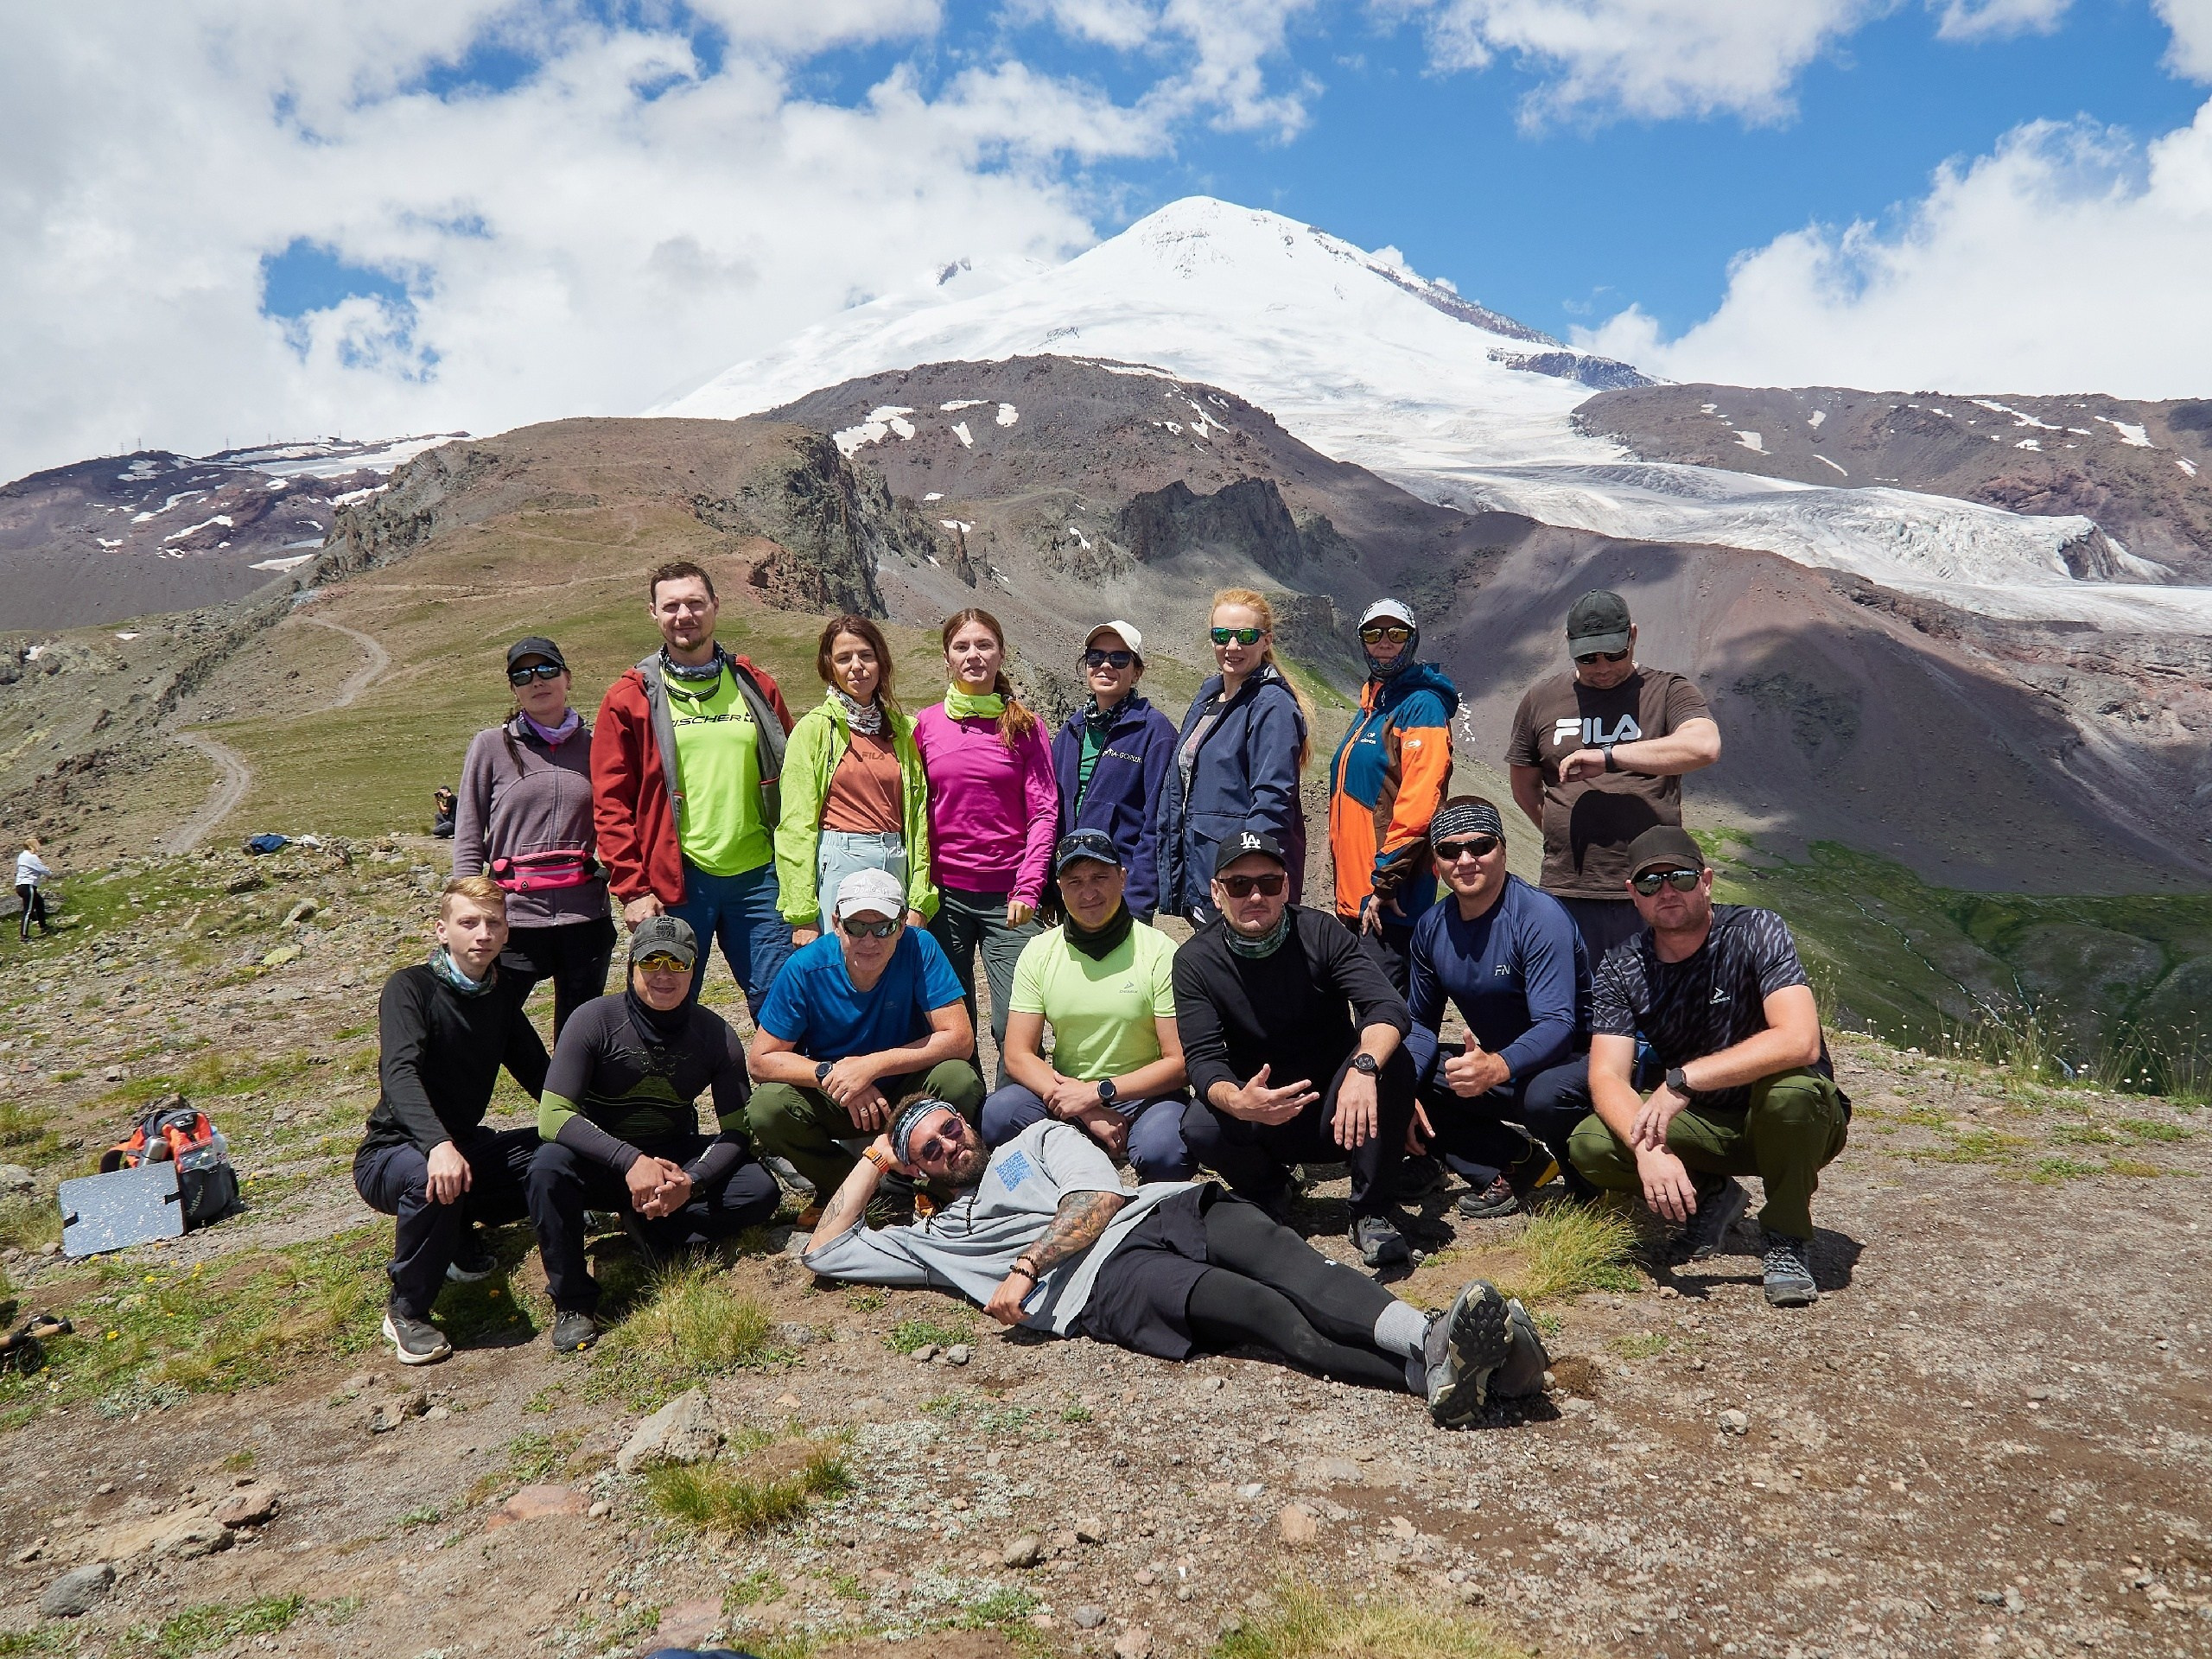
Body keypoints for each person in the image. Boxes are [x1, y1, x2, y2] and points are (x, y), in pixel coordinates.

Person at [803, 1096, 1550, 1427]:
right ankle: (1447, 1370)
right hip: (1106, 1286)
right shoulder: (933, 1241)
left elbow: (1096, 1200)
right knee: (1267, 1316)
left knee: (1295, 1267)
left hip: (1159, 1209)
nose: (950, 1145)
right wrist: (874, 1158)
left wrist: (1025, 1267)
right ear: (917, 1169)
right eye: (929, 1149)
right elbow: (825, 1250)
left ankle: (1431, 1341)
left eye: (951, 1128)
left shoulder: (1033, 1141)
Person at [1568, 826, 1850, 1308]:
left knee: (1793, 1093)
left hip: (1791, 1119)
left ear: (1707, 880)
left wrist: (1684, 1080)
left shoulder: (1757, 930)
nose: (1666, 892)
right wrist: (1648, 1151)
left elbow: (1799, 1040)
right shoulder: (1621, 966)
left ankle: (1785, 1237)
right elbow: (1607, 1076)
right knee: (1591, 1143)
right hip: (1706, 1123)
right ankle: (1710, 1195)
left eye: (1679, 877)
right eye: (1650, 883)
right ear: (1633, 894)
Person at [527, 918, 782, 1352]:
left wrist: (692, 1182)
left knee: (759, 1189)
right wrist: (630, 1161)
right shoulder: (592, 1020)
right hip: (602, 1160)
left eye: (677, 964)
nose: (664, 974)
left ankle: (653, 1224)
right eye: (651, 962)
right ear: (631, 966)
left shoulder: (715, 1034)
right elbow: (552, 1118)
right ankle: (572, 1301)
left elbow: (737, 1131)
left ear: (694, 969)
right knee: (547, 1168)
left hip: (670, 1161)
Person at [1174, 830, 1417, 1268]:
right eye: (1239, 884)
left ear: (1285, 887)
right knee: (1200, 1123)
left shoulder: (1321, 932)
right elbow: (1203, 1058)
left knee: (1391, 1060)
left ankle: (1370, 1209)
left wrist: (1363, 1068)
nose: (1255, 896)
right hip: (1261, 1114)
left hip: (1340, 1114)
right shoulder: (1195, 960)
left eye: (1268, 883)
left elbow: (1386, 1006)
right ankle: (1271, 1190)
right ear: (1216, 892)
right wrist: (1239, 1101)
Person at [353, 876, 547, 1365]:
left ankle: (457, 1235)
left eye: (493, 923)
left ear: (506, 933)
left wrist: (596, 1128)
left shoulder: (500, 995)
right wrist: (437, 1144)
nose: (483, 933)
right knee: (433, 1178)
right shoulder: (410, 987)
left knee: (553, 1150)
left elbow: (539, 1074)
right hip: (394, 1153)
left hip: (463, 1147)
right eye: (469, 922)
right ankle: (407, 1310)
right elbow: (399, 1073)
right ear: (442, 931)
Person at [592, 560, 795, 1016]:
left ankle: (781, 1067)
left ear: (715, 606)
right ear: (653, 613)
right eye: (671, 606)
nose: (684, 615)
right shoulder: (629, 698)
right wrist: (632, 888)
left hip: (761, 879)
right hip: (675, 881)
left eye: (695, 603)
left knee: (781, 1006)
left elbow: (795, 776)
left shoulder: (755, 686)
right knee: (665, 1004)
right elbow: (610, 803)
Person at [747, 868, 985, 1214]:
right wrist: (833, 1074)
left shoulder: (921, 948)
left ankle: (936, 1184)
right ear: (836, 923)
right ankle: (856, 1188)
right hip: (841, 1097)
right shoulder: (804, 967)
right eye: (856, 927)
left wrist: (872, 1066)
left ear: (901, 925)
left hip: (907, 1090)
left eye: (883, 927)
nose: (870, 940)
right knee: (768, 1107)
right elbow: (760, 1060)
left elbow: (960, 1039)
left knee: (957, 1078)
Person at [1504, 589, 1721, 966]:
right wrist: (1562, 830)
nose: (1602, 667)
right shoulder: (1541, 699)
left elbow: (1704, 746)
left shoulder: (1667, 691)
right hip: (1568, 889)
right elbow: (1524, 786)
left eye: (1614, 654)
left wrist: (1610, 757)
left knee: (1659, 996)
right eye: (1588, 657)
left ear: (1632, 636)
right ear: (1569, 644)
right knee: (1571, 995)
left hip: (1657, 890)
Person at [1404, 798, 1592, 1219]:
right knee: (1407, 1074)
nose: (1465, 860)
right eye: (1449, 850)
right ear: (1435, 862)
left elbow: (1558, 1025)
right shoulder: (1432, 927)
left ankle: (1590, 1183)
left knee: (1542, 1096)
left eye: (1480, 846)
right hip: (1506, 1065)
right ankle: (1515, 1163)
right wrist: (1403, 1090)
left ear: (1503, 850)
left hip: (1577, 1061)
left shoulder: (1539, 917)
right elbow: (1419, 1024)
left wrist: (1497, 1067)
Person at [982, 830, 1192, 1181]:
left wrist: (1098, 1092)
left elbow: (1179, 1063)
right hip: (1067, 1094)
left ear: (1122, 878)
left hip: (1145, 1096)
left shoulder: (1159, 951)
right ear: (1060, 888)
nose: (1089, 892)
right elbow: (1017, 1054)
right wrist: (1083, 1108)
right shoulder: (1039, 952)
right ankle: (1062, 1179)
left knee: (1165, 1151)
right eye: (1075, 881)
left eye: (1100, 877)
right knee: (999, 1114)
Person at [912, 608, 1055, 1070]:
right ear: (947, 659)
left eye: (984, 645)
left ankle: (1014, 1107)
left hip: (1010, 898)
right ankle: (961, 1106)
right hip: (943, 897)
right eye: (962, 647)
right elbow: (915, 812)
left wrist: (1029, 887)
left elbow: (1043, 811)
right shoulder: (926, 725)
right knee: (951, 1026)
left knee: (1014, 1025)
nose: (973, 655)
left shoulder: (1026, 726)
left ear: (1001, 654)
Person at [452, 636, 614, 1038]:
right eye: (523, 675)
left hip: (584, 917)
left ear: (567, 679)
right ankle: (537, 1075)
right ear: (513, 689)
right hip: (514, 919)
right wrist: (466, 909)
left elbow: (618, 821)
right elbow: (469, 832)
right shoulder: (490, 746)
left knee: (579, 1036)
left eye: (547, 670)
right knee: (491, 1028)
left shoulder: (597, 746)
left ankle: (564, 1083)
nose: (537, 681)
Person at [774, 613, 934, 946]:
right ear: (829, 666)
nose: (856, 667)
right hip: (840, 860)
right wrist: (802, 913)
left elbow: (918, 820)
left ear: (881, 662)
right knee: (840, 962)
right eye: (844, 658)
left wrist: (920, 899)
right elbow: (795, 824)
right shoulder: (814, 730)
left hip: (895, 859)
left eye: (866, 655)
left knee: (891, 962)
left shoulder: (903, 731)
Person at [1157, 588, 1313, 926]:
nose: (1232, 646)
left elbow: (1272, 803)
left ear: (1266, 641)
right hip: (1205, 875)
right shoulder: (1209, 700)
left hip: (1240, 889)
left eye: (1245, 636)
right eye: (1221, 635)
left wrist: (1249, 881)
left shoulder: (1272, 706)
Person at [1327, 599, 1459, 992]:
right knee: (1369, 1012)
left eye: (1396, 633)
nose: (1384, 642)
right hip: (1359, 900)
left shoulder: (1422, 706)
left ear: (1412, 640)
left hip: (1389, 903)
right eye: (1373, 634)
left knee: (1386, 1015)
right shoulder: (1374, 705)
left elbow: (1421, 803)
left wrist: (1385, 883)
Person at [1050, 621, 1177, 922]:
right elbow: (1051, 812)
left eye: (1119, 658)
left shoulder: (1155, 731)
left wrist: (1138, 898)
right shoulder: (1071, 731)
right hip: (1071, 887)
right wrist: (1049, 890)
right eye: (1096, 657)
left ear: (1137, 672)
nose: (1105, 665)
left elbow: (1159, 823)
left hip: (1120, 892)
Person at [15, 838, 53, 942]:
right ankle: (24, 936)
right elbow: (41, 869)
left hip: (20, 885)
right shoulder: (32, 857)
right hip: (28, 886)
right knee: (28, 911)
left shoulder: (22, 856)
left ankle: (43, 926)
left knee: (39, 902)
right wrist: (50, 874)